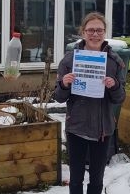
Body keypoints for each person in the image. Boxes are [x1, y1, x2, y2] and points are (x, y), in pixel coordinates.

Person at [54, 12, 126, 194]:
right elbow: (59, 97)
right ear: (83, 32)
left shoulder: (114, 61)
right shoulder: (70, 60)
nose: (95, 34)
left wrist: (114, 85)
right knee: (76, 179)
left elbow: (120, 98)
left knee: (96, 178)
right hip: (76, 126)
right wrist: (64, 84)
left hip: (103, 129)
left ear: (105, 32)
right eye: (91, 30)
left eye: (99, 30)